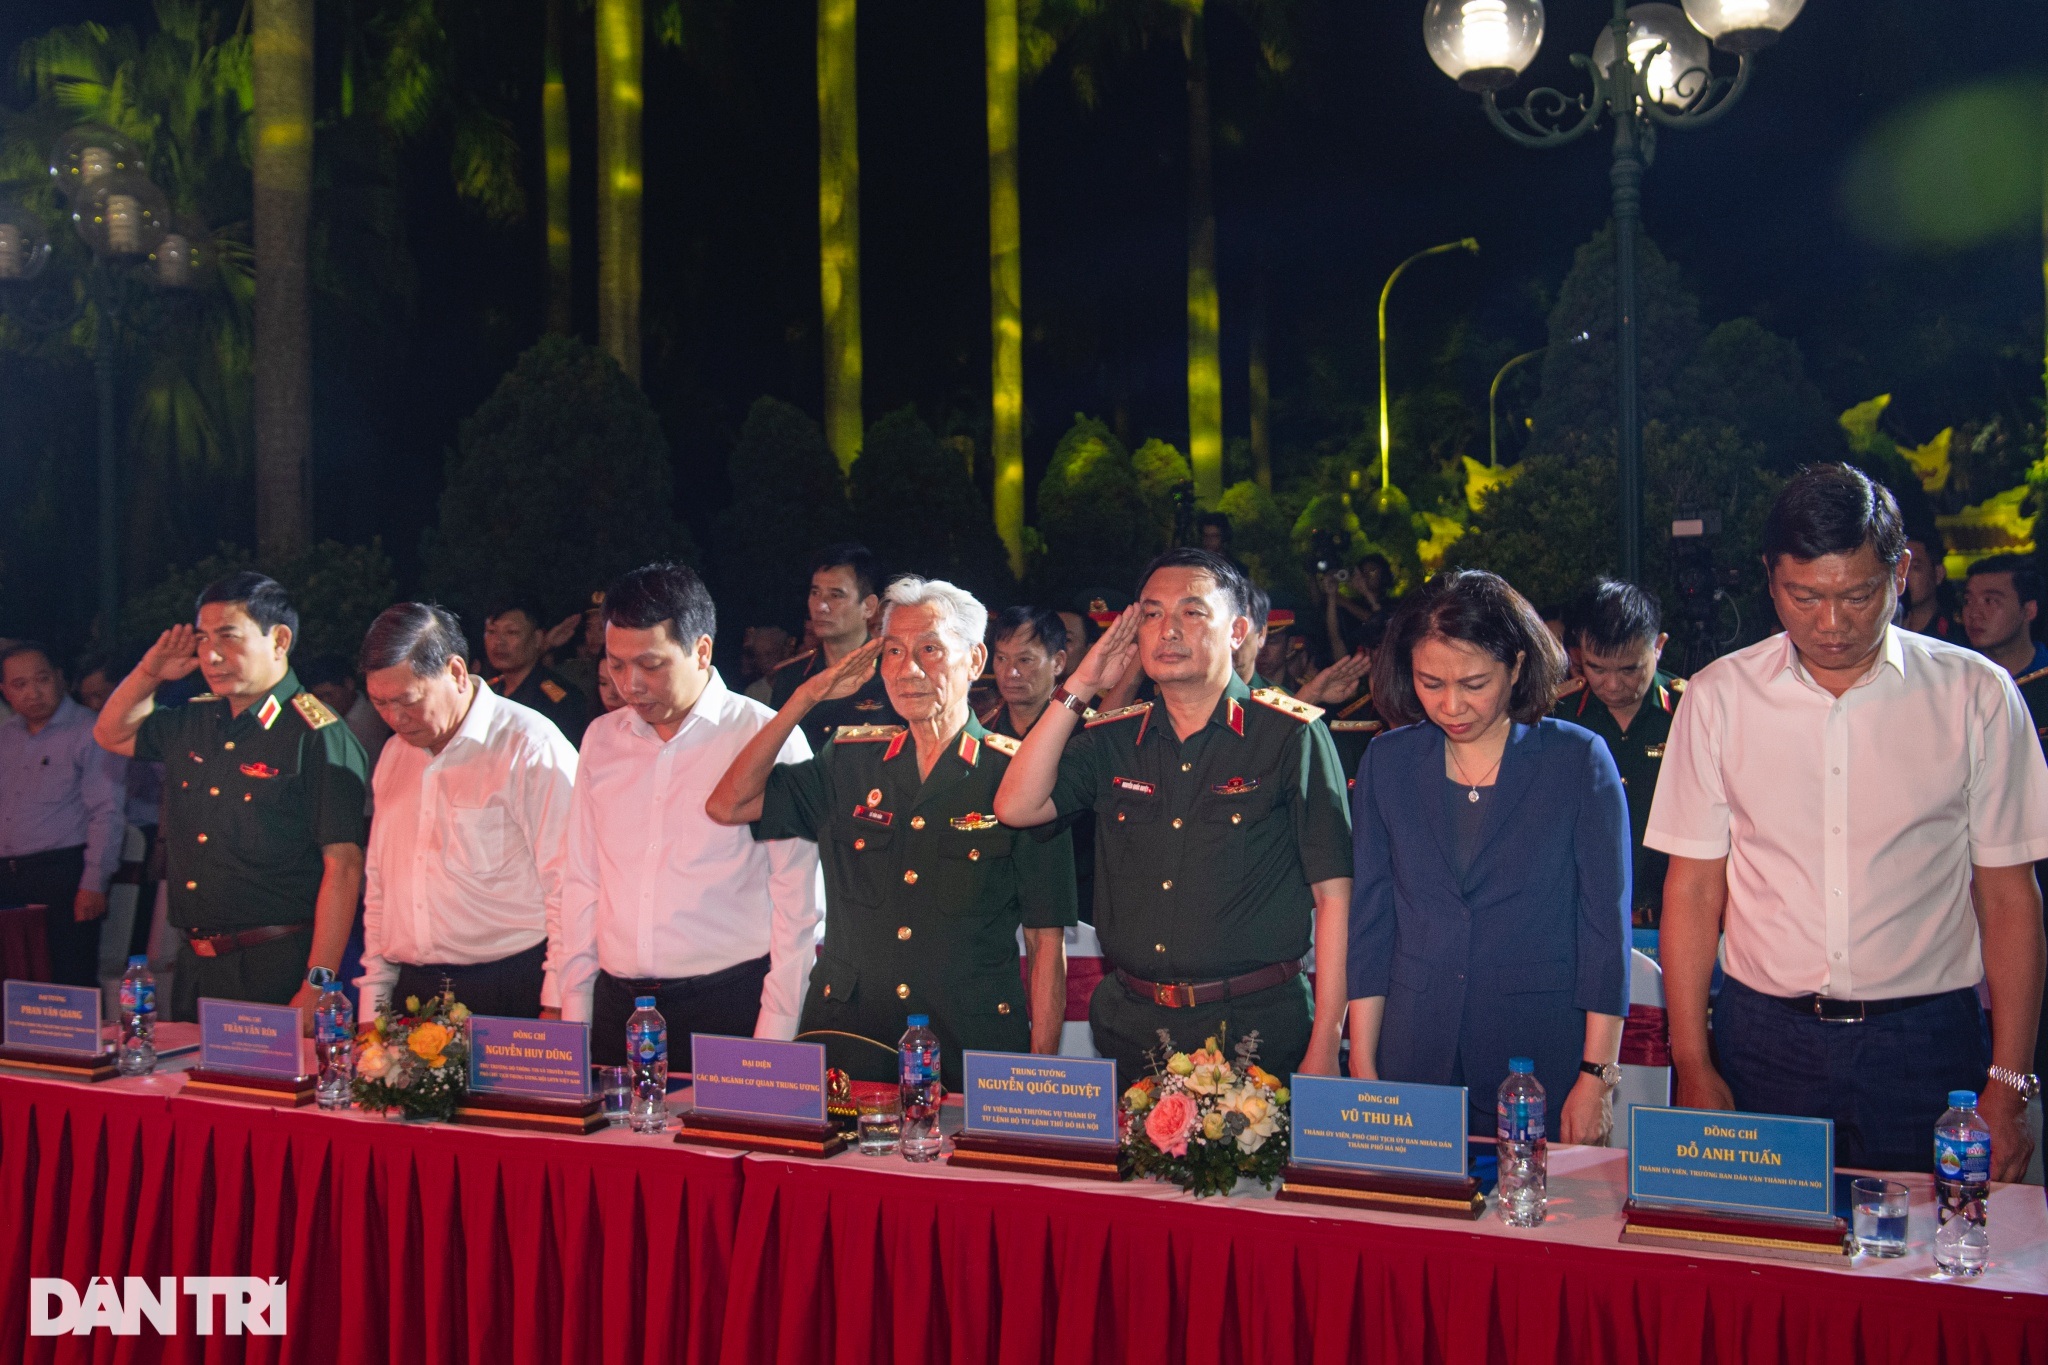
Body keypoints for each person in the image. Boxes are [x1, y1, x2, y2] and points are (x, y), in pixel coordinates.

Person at [1648, 464, 2048, 1178]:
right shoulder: (1718, 699)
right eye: (1804, 596)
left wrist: (2010, 1083)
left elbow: (2010, 899)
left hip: (1926, 1041)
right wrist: (1693, 1061)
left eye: (1858, 595)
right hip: (1764, 1040)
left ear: (1901, 574)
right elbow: (1694, 889)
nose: (1831, 623)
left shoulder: (1975, 696)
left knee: (1936, 1242)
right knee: (1764, 1241)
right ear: (1770, 579)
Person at [994, 548, 1354, 1082]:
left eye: (1192, 611)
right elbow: (1016, 806)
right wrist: (1082, 685)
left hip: (1254, 1028)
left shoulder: (1289, 734)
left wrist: (1325, 1042)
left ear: (1237, 631)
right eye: (1152, 613)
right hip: (1132, 1025)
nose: (1168, 629)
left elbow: (1335, 897)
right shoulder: (1114, 738)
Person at [709, 576, 1074, 1091]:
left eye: (930, 650)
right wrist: (807, 698)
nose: (909, 670)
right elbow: (729, 804)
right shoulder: (848, 761)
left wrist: (1039, 1077)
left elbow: (1045, 942)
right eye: (894, 652)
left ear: (975, 661)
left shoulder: (1019, 778)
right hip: (850, 1034)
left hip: (968, 1039)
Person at [1346, 571, 1631, 1140]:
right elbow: (1372, 921)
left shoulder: (1576, 760)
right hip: (1414, 1048)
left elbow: (1605, 928)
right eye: (1430, 683)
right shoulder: (1389, 762)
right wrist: (1362, 1059)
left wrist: (1597, 1075)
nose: (1451, 705)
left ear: (1517, 666)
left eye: (1474, 683)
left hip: (1538, 1052)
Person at [548, 563, 824, 1063]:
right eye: (616, 665)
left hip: (728, 1003)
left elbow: (799, 905)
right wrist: (576, 1012)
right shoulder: (602, 739)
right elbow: (583, 881)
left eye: (650, 665)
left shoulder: (764, 737)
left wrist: (777, 1034)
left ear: (701, 650)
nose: (631, 685)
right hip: (616, 1006)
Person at [92, 573, 370, 1029]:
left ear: (279, 640)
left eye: (228, 637)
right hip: (196, 961)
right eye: (203, 639)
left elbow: (343, 867)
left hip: (276, 962)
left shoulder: (318, 734)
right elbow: (111, 733)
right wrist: (149, 673)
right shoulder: (198, 717)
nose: (212, 655)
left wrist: (317, 984)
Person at [354, 604, 578, 1020]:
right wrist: (375, 1003)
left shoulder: (528, 746)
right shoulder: (395, 755)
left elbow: (569, 884)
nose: (395, 718)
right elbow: (381, 885)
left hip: (510, 985)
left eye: (407, 700)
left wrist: (558, 1003)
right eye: (379, 703)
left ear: (456, 672)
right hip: (415, 992)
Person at [1960, 552, 2048, 1101]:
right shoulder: (1954, 688)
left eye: (1993, 600)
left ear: (2030, 609)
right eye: (1969, 601)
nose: (1975, 613)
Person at [1552, 579, 1682, 928]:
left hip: (1671, 921)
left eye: (1629, 669)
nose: (1612, 684)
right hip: (1579, 920)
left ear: (1658, 646)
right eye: (1596, 668)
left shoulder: (1690, 712)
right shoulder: (1555, 718)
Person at [0, 643, 125, 986]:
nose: (32, 693)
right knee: (14, 982)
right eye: (20, 684)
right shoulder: (5, 736)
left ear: (60, 678)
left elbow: (107, 811)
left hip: (62, 873)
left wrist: (94, 882)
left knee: (68, 981)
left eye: (41, 679)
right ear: (5, 691)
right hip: (8, 875)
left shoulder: (91, 730)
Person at [768, 543, 898, 752]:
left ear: (869, 606)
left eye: (836, 595)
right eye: (815, 593)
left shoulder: (895, 673)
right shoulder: (791, 678)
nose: (821, 606)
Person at [482, 599, 590, 747]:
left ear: (538, 638)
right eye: (491, 632)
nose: (498, 641)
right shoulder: (487, 691)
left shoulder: (558, 700)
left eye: (511, 632)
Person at [298, 654, 392, 775]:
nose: (325, 703)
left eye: (329, 695)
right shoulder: (320, 720)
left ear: (349, 684)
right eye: (319, 698)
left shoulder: (379, 717)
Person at [984, 606, 1068, 738]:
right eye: (1002, 658)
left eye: (1024, 660)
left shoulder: (1081, 731)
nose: (1010, 673)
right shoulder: (982, 730)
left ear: (1058, 663)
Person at [1900, 530, 1956, 639]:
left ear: (1938, 574)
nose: (1904, 575)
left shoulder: (1952, 636)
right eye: (1900, 567)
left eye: (1914, 567)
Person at [740, 624, 795, 704]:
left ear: (784, 651)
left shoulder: (798, 686)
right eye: (759, 655)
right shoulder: (753, 692)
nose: (764, 660)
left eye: (769, 654)